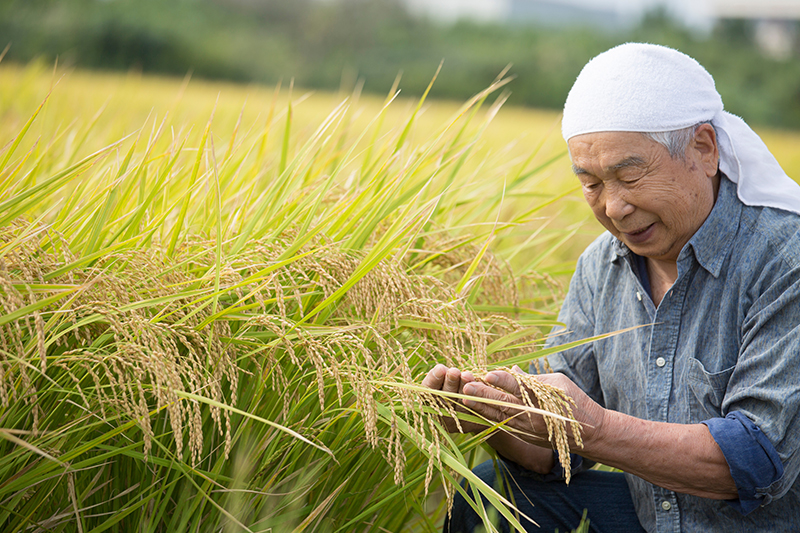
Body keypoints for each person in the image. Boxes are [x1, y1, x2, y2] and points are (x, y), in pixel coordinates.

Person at [423, 43, 800, 532]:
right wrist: (492, 421)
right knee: (491, 492)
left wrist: (594, 428)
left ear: (703, 150)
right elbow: (555, 454)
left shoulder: (784, 260)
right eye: (592, 183)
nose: (614, 207)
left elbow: (754, 462)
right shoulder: (602, 266)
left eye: (630, 175)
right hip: (653, 516)